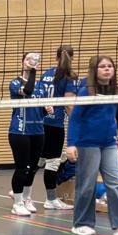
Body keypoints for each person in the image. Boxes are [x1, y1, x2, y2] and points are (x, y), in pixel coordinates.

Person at [64, 55, 118, 235]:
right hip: (87, 143)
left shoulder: (117, 91)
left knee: (115, 183)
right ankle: (81, 224)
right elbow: (75, 119)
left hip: (109, 144)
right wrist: (71, 143)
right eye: (102, 66)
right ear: (95, 70)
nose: (107, 69)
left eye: (110, 66)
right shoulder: (86, 92)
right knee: (87, 185)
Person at [7, 52, 47, 216]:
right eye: (29, 59)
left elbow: (40, 109)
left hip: (38, 130)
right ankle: (17, 203)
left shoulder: (42, 86)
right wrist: (33, 71)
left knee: (33, 168)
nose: (32, 61)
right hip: (20, 131)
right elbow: (28, 91)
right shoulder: (15, 83)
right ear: (23, 62)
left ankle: (26, 198)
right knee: (22, 167)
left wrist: (47, 109)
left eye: (35, 59)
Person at [38, 45, 77, 211]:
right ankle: (51, 199)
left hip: (41, 122)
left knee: (38, 160)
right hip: (55, 125)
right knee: (53, 162)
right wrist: (76, 123)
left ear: (56, 57)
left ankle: (21, 192)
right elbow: (68, 104)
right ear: (72, 58)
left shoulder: (46, 74)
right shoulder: (68, 77)